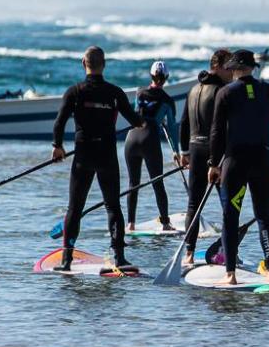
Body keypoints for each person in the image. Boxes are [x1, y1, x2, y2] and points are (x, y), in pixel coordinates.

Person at [51, 46, 144, 270]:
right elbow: (135, 120)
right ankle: (120, 259)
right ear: (105, 65)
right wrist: (145, 117)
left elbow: (60, 122)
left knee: (74, 208)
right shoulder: (115, 92)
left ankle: (66, 261)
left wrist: (58, 147)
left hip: (83, 156)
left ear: (84, 64)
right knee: (113, 207)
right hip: (107, 157)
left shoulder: (74, 91)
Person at [207, 50, 269, 285]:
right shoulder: (268, 89)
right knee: (263, 216)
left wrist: (213, 164)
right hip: (262, 160)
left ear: (234, 69)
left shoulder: (225, 92)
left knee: (230, 216)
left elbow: (217, 132)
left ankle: (230, 274)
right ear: (252, 67)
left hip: (235, 162)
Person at [178, 49, 233, 264]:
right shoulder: (221, 90)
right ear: (217, 66)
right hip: (214, 152)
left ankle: (189, 253)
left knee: (194, 204)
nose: (231, 71)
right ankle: (229, 253)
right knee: (227, 205)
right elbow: (223, 127)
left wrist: (184, 153)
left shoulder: (193, 89)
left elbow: (183, 123)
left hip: (194, 148)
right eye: (228, 66)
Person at [123, 61, 179, 232]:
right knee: (157, 182)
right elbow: (172, 129)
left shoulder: (139, 92)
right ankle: (165, 223)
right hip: (150, 139)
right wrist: (176, 151)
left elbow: (135, 113)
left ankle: (130, 224)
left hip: (131, 139)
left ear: (151, 76)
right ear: (166, 78)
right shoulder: (168, 101)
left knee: (133, 183)